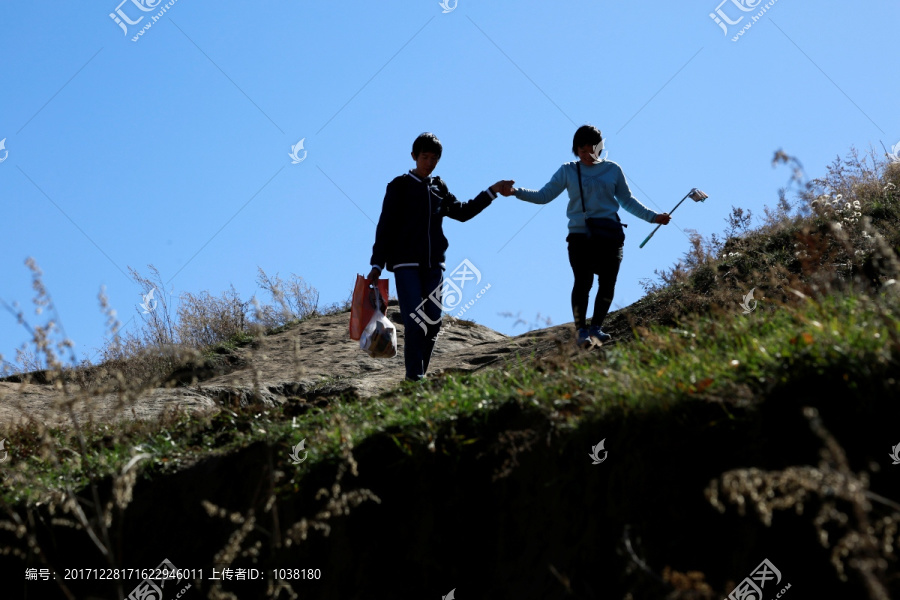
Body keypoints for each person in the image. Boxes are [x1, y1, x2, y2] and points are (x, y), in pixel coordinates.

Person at [504, 125, 670, 347]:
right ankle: (581, 331)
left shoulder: (613, 169)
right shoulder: (568, 170)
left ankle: (596, 328)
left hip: (610, 234)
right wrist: (516, 192)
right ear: (576, 150)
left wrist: (653, 217)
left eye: (592, 150)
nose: (587, 155)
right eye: (582, 151)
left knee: (608, 282)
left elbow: (627, 201)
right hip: (580, 236)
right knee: (583, 282)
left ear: (600, 148)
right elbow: (544, 196)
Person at [366, 132, 513, 381]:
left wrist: (493, 190)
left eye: (435, 158)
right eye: (425, 157)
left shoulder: (439, 187)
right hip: (405, 264)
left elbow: (464, 212)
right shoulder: (399, 186)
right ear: (414, 156)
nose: (429, 162)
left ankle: (419, 372)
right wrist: (377, 264)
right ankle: (415, 377)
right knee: (415, 321)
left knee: (433, 321)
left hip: (435, 266)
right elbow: (385, 227)